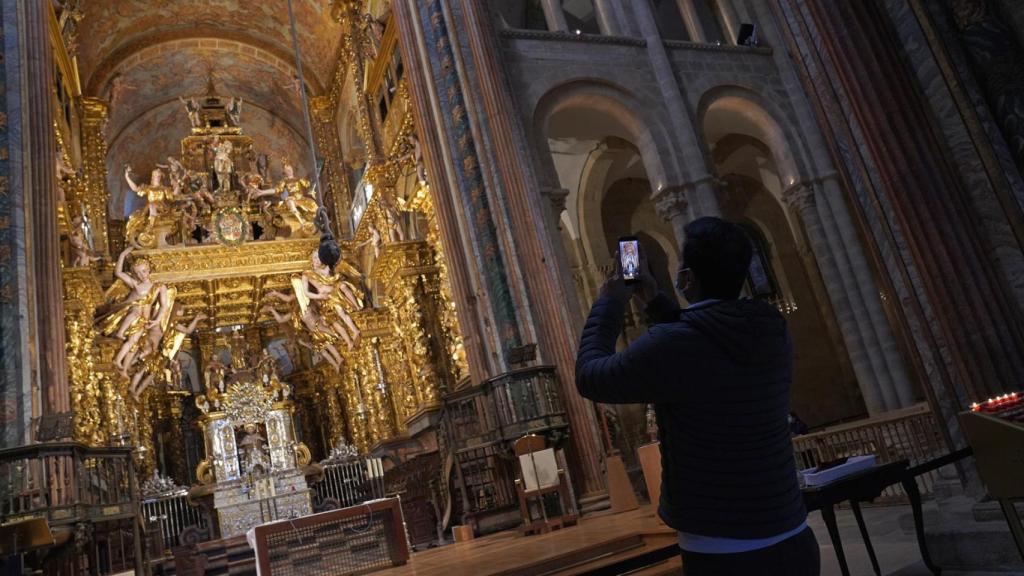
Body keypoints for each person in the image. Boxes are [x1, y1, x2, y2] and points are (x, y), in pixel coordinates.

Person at [576, 216, 818, 576]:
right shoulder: (771, 327)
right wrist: (655, 300)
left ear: (686, 278)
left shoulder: (676, 346)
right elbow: (703, 339)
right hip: (793, 533)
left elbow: (591, 376)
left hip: (724, 552)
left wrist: (610, 302)